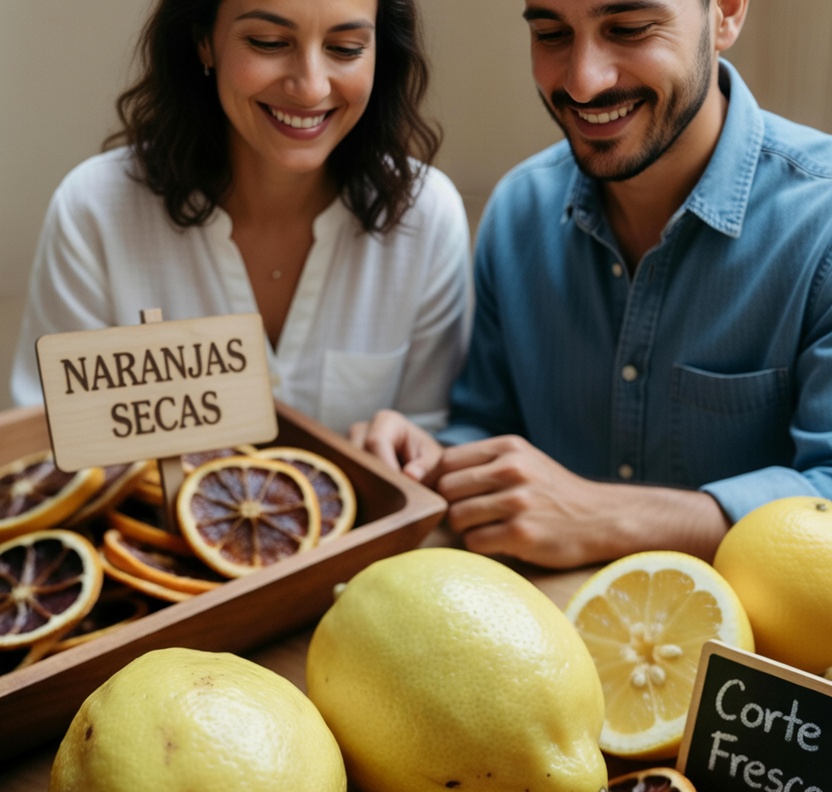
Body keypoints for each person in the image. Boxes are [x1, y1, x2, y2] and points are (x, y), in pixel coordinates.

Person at [355, 0, 832, 568]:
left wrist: (604, 517)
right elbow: (489, 429)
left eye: (629, 29)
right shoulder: (519, 212)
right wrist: (430, 461)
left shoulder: (821, 223)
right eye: (552, 34)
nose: (583, 82)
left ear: (725, 14)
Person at [11, 0, 471, 438]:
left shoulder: (426, 217)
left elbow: (430, 433)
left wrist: (411, 448)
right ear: (204, 41)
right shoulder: (95, 210)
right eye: (269, 42)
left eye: (346, 48)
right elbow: (52, 446)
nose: (311, 87)